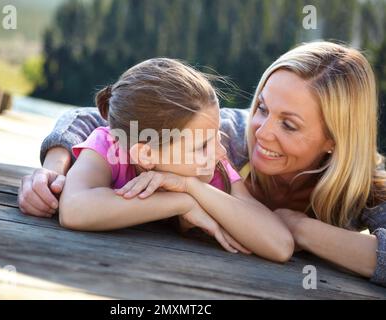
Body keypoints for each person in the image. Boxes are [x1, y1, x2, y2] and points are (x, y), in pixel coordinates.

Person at [19, 42, 386, 286]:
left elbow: (279, 245)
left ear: (334, 140)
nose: (261, 133)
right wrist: (54, 171)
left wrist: (297, 226)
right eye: (261, 107)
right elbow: (103, 116)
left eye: (289, 124)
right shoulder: (222, 133)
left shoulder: (210, 150)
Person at [55, 57, 293, 261]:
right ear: (145, 154)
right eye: (201, 146)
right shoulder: (109, 147)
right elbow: (74, 210)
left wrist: (191, 187)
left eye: (217, 137)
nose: (221, 152)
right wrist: (183, 202)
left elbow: (280, 246)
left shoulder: (212, 169)